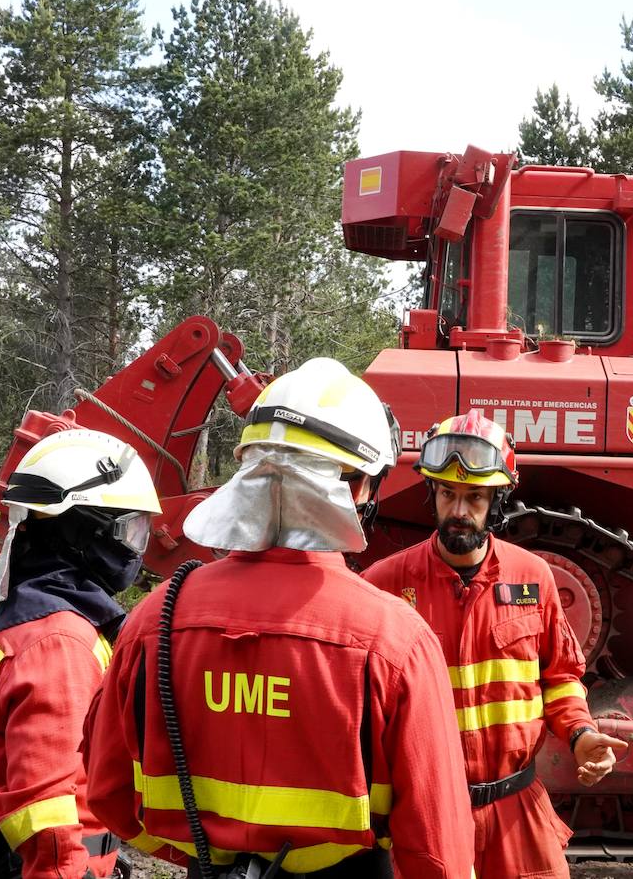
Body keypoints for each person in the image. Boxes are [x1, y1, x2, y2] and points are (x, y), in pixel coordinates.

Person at [82, 358, 473, 879]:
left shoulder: (154, 621)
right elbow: (438, 852)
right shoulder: (395, 640)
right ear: (360, 487)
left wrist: (210, 852)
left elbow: (108, 796)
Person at [364, 410, 628, 879]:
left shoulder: (534, 577)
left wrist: (581, 735)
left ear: (497, 501)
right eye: (447, 494)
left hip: (517, 813)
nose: (459, 511)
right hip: (428, 815)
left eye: (474, 497)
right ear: (433, 494)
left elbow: (561, 678)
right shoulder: (385, 585)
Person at [0, 428, 163, 879]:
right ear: (80, 530)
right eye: (128, 530)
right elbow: (44, 810)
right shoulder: (60, 645)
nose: (135, 549)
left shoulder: (24, 618)